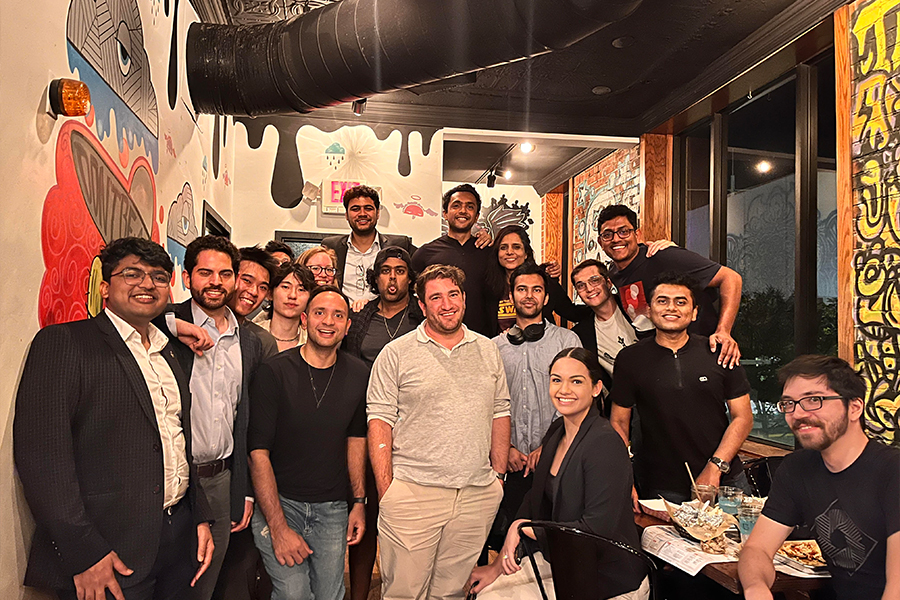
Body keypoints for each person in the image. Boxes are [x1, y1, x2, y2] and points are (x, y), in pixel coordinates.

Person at [14, 237, 214, 600]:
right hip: (108, 550)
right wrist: (83, 552)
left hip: (177, 540)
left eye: (157, 276)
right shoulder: (66, 343)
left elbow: (175, 440)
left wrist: (199, 515)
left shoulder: (170, 352)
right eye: (132, 274)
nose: (147, 284)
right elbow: (42, 460)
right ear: (105, 287)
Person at [368, 264, 510, 600]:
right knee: (404, 593)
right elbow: (379, 421)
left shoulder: (488, 349)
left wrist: (498, 478)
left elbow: (500, 411)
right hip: (413, 493)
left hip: (475, 494)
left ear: (463, 298)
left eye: (452, 295)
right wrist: (387, 489)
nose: (446, 304)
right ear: (422, 306)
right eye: (435, 298)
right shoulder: (396, 354)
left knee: (451, 593)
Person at [467, 348, 649, 600]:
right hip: (567, 566)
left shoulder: (605, 443)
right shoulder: (557, 431)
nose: (564, 390)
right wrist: (497, 566)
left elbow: (594, 532)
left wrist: (523, 528)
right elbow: (534, 499)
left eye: (576, 381)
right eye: (556, 380)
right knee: (485, 593)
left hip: (607, 578)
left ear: (596, 388)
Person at [739, 355, 900, 600]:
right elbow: (757, 549)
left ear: (855, 407)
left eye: (814, 400)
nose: (798, 413)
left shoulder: (892, 471)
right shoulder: (797, 468)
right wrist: (756, 588)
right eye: (789, 403)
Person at [160, 235, 265, 600]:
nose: (215, 282)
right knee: (169, 579)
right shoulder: (166, 325)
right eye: (205, 273)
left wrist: (246, 491)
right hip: (171, 479)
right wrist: (175, 326)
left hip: (221, 479)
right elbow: (130, 315)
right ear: (187, 277)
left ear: (235, 279)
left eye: (224, 273)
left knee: (207, 581)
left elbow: (247, 420)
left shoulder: (248, 340)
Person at [248, 286, 368, 600]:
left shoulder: (359, 375)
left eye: (338, 315)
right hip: (280, 503)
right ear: (304, 319)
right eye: (319, 313)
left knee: (330, 594)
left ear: (347, 326)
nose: (328, 321)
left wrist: (358, 502)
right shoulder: (273, 372)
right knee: (294, 593)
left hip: (333, 508)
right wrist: (277, 527)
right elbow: (257, 454)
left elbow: (356, 440)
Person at [610, 271, 754, 506]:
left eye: (681, 301)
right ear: (648, 310)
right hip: (659, 487)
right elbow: (618, 423)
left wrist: (715, 468)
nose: (671, 308)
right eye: (662, 300)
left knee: (742, 542)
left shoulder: (719, 351)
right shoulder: (629, 359)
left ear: (694, 312)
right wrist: (623, 478)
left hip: (726, 479)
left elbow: (743, 417)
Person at [341, 246, 423, 600]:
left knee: (404, 519)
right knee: (364, 511)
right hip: (364, 425)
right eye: (386, 270)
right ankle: (359, 594)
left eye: (400, 270)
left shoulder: (422, 318)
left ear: (410, 277)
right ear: (375, 277)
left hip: (412, 431)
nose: (393, 278)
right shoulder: (360, 319)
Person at [491, 261, 581, 541]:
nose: (529, 295)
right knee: (509, 540)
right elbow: (486, 405)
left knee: (552, 544)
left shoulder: (567, 341)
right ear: (511, 296)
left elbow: (578, 402)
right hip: (510, 462)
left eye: (536, 290)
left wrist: (550, 445)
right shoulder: (493, 347)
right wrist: (505, 448)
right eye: (521, 289)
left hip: (557, 460)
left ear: (546, 297)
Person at [597, 204, 743, 368]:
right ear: (600, 242)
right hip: (660, 363)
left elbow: (731, 278)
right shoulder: (613, 273)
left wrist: (723, 331)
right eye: (608, 235)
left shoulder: (663, 256)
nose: (616, 239)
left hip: (700, 357)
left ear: (637, 234)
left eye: (624, 231)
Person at [412, 184, 495, 336]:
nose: (463, 211)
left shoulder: (489, 252)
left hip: (483, 339)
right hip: (437, 339)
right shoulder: (425, 254)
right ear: (445, 213)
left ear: (476, 216)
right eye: (456, 206)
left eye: (470, 207)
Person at [322, 185, 416, 303]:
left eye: (368, 208)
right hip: (343, 316)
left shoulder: (399, 245)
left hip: (382, 317)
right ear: (346, 215)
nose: (362, 213)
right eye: (355, 209)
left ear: (377, 214)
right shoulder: (332, 246)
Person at [486, 225, 589, 331]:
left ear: (526, 253)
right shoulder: (488, 286)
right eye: (503, 247)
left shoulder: (545, 282)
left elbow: (572, 313)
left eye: (516, 247)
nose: (509, 252)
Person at [570, 259, 639, 404]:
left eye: (594, 280)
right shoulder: (581, 334)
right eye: (581, 286)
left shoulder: (633, 307)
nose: (589, 289)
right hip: (626, 404)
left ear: (608, 283)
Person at [228, 246, 279, 358]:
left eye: (262, 287)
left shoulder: (262, 341)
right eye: (247, 280)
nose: (254, 292)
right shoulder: (193, 326)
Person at [255, 263, 316, 352]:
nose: (293, 295)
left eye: (301, 290)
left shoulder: (313, 342)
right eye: (285, 287)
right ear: (270, 293)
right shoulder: (252, 335)